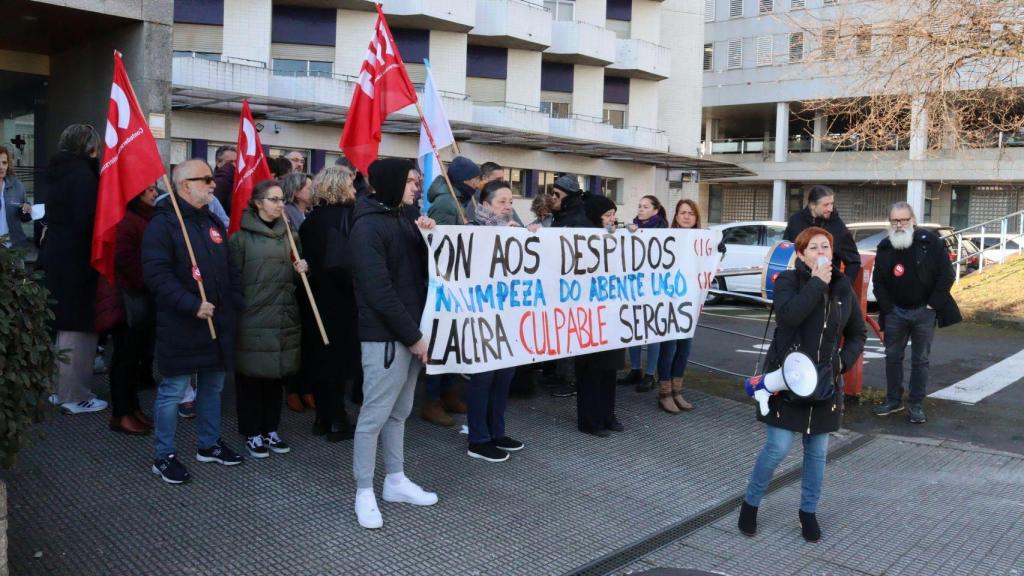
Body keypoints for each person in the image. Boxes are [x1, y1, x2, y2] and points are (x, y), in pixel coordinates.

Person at [738, 226, 866, 542]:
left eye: (826, 247)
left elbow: (858, 333)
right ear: (800, 254)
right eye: (813, 248)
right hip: (787, 380)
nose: (821, 253)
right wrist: (815, 283)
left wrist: (840, 363)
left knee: (817, 452)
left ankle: (808, 512)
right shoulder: (788, 282)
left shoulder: (843, 287)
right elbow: (789, 317)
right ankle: (750, 502)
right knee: (778, 447)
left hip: (823, 384)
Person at [143, 159, 245, 484]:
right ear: (185, 185)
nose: (214, 184)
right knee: (173, 391)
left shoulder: (212, 220)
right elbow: (156, 275)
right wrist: (191, 304)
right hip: (182, 324)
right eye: (206, 179)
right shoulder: (163, 225)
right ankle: (164, 456)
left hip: (217, 322)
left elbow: (230, 268)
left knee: (213, 387)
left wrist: (236, 302)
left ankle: (209, 444)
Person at [350, 157, 438, 529]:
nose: (416, 186)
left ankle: (396, 480)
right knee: (374, 416)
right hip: (387, 337)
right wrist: (415, 337)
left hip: (409, 333)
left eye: (416, 180)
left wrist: (427, 236)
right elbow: (379, 292)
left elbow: (417, 272)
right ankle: (364, 491)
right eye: (409, 181)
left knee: (399, 413)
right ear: (388, 183)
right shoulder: (367, 228)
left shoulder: (401, 218)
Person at [229, 179, 307, 458]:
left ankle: (270, 429)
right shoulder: (240, 239)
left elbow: (298, 285)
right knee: (251, 378)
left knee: (276, 377)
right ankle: (252, 431)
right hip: (253, 319)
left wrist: (302, 271)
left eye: (282, 200)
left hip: (283, 316)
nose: (280, 205)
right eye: (274, 199)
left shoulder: (291, 237)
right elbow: (233, 283)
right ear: (258, 203)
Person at [872, 202, 960, 424]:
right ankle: (893, 400)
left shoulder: (929, 242)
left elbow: (946, 275)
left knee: (920, 360)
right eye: (895, 221)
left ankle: (916, 404)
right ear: (890, 222)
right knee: (892, 357)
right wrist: (888, 308)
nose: (899, 225)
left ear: (913, 220)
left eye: (903, 220)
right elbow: (879, 282)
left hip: (923, 311)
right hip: (895, 313)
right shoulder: (884, 247)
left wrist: (932, 304)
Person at [40, 124, 108, 414]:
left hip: (55, 253)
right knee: (78, 325)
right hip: (77, 259)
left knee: (59, 323)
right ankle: (73, 393)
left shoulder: (57, 170)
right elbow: (87, 221)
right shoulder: (84, 176)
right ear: (89, 148)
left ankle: (56, 389)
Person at [299, 165, 362, 441]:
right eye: (350, 183)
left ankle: (323, 417)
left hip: (316, 297)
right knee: (338, 361)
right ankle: (337, 419)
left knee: (321, 357)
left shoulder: (310, 220)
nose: (355, 188)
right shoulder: (348, 218)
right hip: (342, 298)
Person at [464, 180, 525, 462]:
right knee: (483, 378)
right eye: (502, 202)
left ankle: (496, 432)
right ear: (485, 205)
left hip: (508, 317)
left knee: (504, 378)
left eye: (510, 201)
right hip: (481, 319)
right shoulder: (470, 233)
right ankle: (478, 439)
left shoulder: (514, 232)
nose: (508, 207)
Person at [107, 183, 160, 434]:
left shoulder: (144, 218)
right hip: (127, 299)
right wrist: (149, 280)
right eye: (149, 189)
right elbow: (124, 258)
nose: (154, 193)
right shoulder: (128, 221)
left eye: (155, 188)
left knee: (135, 356)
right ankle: (121, 412)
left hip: (141, 298)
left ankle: (133, 407)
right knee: (124, 359)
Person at [575, 193, 626, 437]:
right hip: (589, 316)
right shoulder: (581, 236)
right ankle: (589, 419)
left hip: (611, 313)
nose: (612, 219)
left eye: (614, 214)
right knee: (591, 372)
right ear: (596, 216)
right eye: (607, 215)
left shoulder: (616, 238)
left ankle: (608, 414)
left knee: (610, 369)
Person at [655, 199, 703, 414]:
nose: (686, 216)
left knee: (684, 348)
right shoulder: (665, 237)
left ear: (696, 217)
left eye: (691, 213)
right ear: (675, 216)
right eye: (682, 212)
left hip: (689, 303)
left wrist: (717, 248)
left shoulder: (702, 240)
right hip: (668, 302)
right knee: (668, 348)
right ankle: (664, 392)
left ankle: (677, 390)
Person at [545, 174, 589, 397]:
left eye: (557, 195)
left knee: (570, 333)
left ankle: (569, 380)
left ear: (568, 197)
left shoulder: (577, 219)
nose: (552, 198)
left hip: (572, 288)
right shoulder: (561, 215)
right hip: (559, 286)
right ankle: (560, 374)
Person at [620, 195, 669, 393]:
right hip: (635, 286)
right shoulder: (633, 227)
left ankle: (650, 374)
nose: (640, 210)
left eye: (645, 207)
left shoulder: (663, 230)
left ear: (655, 210)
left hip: (655, 288)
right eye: (639, 206)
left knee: (652, 331)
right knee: (634, 328)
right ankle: (635, 369)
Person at [783, 185, 861, 285]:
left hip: (826, 289)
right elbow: (787, 250)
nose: (830, 209)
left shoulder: (838, 226)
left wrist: (844, 288)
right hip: (797, 286)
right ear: (812, 205)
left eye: (832, 204)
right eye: (826, 205)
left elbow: (853, 261)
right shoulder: (795, 221)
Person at [426, 155, 481, 225]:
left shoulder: (456, 199)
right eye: (476, 179)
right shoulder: (445, 202)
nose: (478, 185)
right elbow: (442, 234)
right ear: (464, 179)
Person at [0, 145, 31, 249]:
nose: (1, 166)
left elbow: (24, 217)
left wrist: (26, 209)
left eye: (4, 163)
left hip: (14, 248)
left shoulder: (17, 185)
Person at [212, 144, 237, 213]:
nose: (234, 165)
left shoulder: (238, 181)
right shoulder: (217, 183)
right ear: (218, 162)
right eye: (230, 162)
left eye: (236, 161)